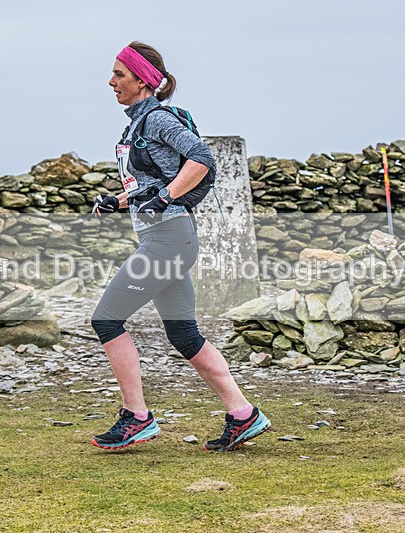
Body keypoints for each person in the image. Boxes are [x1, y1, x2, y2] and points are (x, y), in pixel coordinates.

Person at [88, 41, 270, 452]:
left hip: (167, 239)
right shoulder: (136, 124)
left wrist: (168, 195)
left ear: (142, 79)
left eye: (119, 74)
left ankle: (136, 417)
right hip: (168, 237)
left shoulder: (156, 119)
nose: (111, 81)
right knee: (184, 334)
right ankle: (243, 415)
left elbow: (202, 158)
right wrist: (116, 200)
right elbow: (149, 185)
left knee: (106, 320)